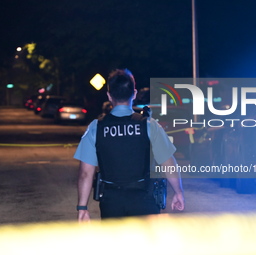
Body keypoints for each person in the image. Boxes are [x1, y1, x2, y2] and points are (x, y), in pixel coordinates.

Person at [74, 69, 184, 221]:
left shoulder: (96, 127)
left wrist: (82, 208)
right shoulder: (149, 125)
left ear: (109, 95)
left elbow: (86, 173)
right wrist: (178, 192)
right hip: (144, 200)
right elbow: (168, 162)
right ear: (134, 93)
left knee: (117, 244)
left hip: (111, 203)